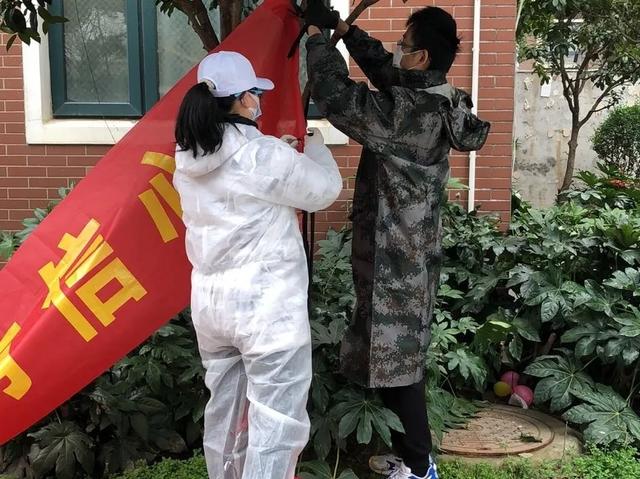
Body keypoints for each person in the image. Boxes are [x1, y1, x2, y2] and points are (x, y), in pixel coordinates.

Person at [303, 3, 490, 479]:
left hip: (397, 259)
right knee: (392, 356)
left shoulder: (411, 113)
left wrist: (317, 38)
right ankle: (409, 457)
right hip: (407, 249)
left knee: (398, 362)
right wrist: (344, 29)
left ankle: (420, 466)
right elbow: (385, 69)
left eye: (404, 46)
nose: (397, 53)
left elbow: (338, 97)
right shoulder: (438, 96)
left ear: (421, 56)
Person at [173, 50, 343, 479]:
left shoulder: (189, 157)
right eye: (255, 94)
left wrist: (281, 153)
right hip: (267, 314)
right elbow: (323, 190)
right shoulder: (261, 155)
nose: (259, 102)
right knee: (276, 425)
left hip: (213, 310)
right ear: (245, 99)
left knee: (226, 417)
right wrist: (316, 149)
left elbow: (243, 186)